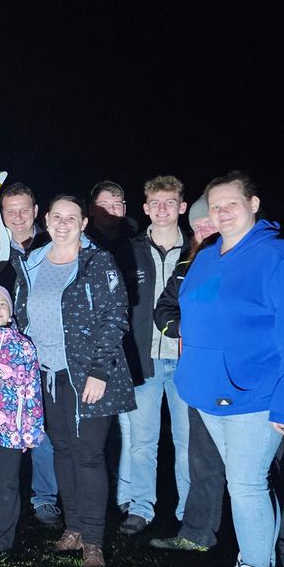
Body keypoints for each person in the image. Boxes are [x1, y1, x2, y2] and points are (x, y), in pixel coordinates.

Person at [175, 172, 284, 567]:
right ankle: (253, 564)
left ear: (253, 203)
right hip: (208, 394)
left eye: (230, 204)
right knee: (246, 486)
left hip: (255, 395)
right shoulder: (206, 257)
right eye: (214, 206)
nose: (221, 212)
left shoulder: (282, 258)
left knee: (247, 485)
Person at [150, 199, 284, 567]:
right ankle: (197, 534)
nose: (204, 233)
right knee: (203, 463)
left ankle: (275, 555)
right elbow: (165, 308)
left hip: (251, 388)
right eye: (197, 227)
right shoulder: (192, 264)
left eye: (209, 225)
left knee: (260, 476)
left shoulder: (264, 259)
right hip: (202, 381)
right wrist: (184, 327)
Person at [13, 194, 135, 567]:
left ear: (84, 223)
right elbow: (21, 314)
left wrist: (100, 371)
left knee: (89, 455)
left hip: (88, 375)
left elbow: (115, 317)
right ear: (46, 219)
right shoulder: (31, 262)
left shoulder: (97, 263)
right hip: (46, 372)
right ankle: (76, 527)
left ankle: (95, 541)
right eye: (57, 216)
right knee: (62, 450)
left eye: (72, 217)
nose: (63, 223)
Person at [0, 182, 61, 530]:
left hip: (45, 349)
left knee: (42, 427)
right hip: (4, 352)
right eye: (10, 211)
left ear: (36, 210)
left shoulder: (53, 243)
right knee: (2, 424)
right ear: (1, 214)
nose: (18, 216)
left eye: (24, 209)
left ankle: (45, 498)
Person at [117, 175, 191, 536]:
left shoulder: (198, 252)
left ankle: (188, 512)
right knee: (142, 440)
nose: (162, 209)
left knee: (187, 440)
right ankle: (141, 507)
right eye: (155, 203)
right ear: (145, 208)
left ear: (182, 206)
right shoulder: (130, 252)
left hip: (187, 361)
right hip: (143, 360)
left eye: (170, 202)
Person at [0, 286, 45, 556]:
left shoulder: (23, 345)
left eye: (2, 304)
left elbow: (32, 388)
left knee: (8, 484)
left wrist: (31, 431)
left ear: (10, 309)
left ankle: (0, 540)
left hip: (13, 431)